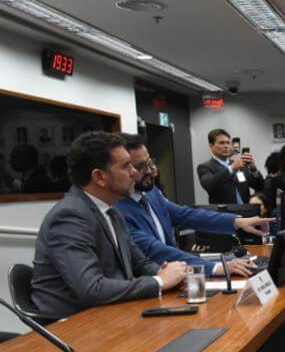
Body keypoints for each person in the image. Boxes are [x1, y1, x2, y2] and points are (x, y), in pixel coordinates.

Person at [30, 132, 188, 320]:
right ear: (99, 177)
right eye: (126, 166)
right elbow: (92, 288)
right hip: (73, 325)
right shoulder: (69, 216)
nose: (134, 172)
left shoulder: (112, 210)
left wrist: (169, 274)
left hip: (112, 315)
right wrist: (160, 281)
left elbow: (139, 263)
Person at [115, 135, 265, 276]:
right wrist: (216, 268)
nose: (151, 171)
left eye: (149, 162)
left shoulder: (151, 193)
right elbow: (154, 250)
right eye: (140, 166)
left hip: (177, 277)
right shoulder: (116, 210)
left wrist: (237, 222)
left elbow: (185, 215)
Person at [196, 129, 264, 204]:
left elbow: (259, 186)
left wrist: (254, 170)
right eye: (221, 143)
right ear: (211, 146)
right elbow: (209, 185)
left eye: (228, 143)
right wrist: (231, 168)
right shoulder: (205, 167)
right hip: (224, 213)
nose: (226, 146)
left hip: (246, 211)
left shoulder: (239, 164)